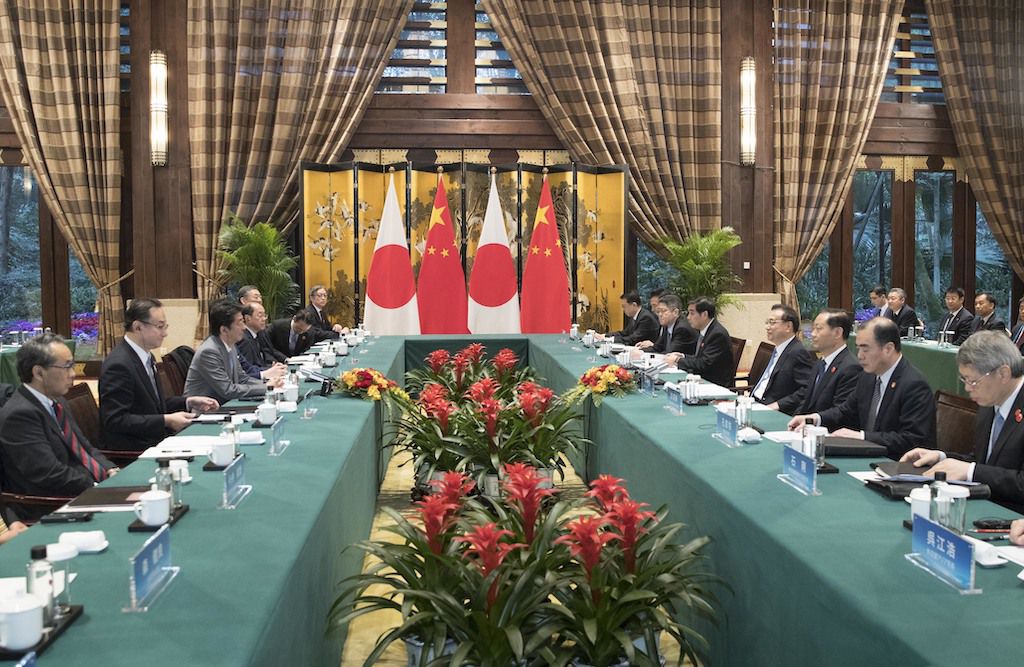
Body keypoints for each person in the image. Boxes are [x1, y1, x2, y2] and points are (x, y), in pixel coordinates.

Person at [900, 332, 1024, 512]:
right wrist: (941, 458)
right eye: (964, 380)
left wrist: (970, 471)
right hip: (986, 508)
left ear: (1003, 373)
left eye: (973, 381)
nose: (967, 388)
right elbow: (981, 461)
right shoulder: (989, 403)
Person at [0, 333, 118, 521]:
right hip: (50, 507)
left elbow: (85, 448)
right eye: (67, 366)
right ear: (38, 372)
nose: (73, 373)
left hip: (78, 492)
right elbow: (49, 474)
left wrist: (110, 470)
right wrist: (97, 483)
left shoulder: (57, 401)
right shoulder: (20, 415)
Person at [787, 317, 936, 458]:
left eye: (865, 349)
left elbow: (912, 440)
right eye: (858, 348)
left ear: (888, 349)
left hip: (896, 464)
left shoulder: (914, 385)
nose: (859, 356)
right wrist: (814, 418)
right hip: (868, 457)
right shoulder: (868, 376)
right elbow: (845, 410)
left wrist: (862, 437)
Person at [99, 298, 219, 452]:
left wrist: (188, 402)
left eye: (165, 326)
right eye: (160, 327)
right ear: (138, 327)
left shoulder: (146, 356)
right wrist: (166, 420)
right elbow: (116, 420)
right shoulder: (119, 365)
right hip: (135, 447)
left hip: (156, 438)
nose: (165, 333)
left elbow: (152, 405)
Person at [184, 300, 281, 405]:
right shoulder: (209, 352)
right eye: (240, 322)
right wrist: (266, 387)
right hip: (205, 411)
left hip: (225, 404)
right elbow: (228, 390)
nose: (244, 327)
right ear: (224, 330)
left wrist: (268, 383)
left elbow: (242, 378)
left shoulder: (230, 344)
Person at [748, 304, 814, 415]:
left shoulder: (798, 352)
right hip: (754, 403)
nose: (767, 327)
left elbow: (807, 389)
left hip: (774, 410)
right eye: (767, 322)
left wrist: (777, 405)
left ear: (788, 326)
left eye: (772, 323)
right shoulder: (777, 349)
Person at [795, 309, 862, 415]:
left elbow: (840, 412)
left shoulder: (850, 368)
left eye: (818, 329)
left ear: (837, 333)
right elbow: (806, 401)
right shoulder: (820, 362)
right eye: (813, 329)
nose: (813, 334)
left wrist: (811, 421)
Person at [664, 297, 734, 387]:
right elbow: (700, 358)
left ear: (704, 314)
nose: (688, 317)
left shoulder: (717, 334)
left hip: (714, 384)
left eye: (692, 313)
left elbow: (704, 363)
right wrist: (683, 356)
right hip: (701, 379)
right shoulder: (704, 330)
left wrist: (678, 360)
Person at [238, 302, 288, 371]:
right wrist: (269, 370)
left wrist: (272, 367)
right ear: (247, 318)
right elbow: (247, 369)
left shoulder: (258, 334)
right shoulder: (244, 339)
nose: (264, 319)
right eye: (260, 316)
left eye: (264, 315)